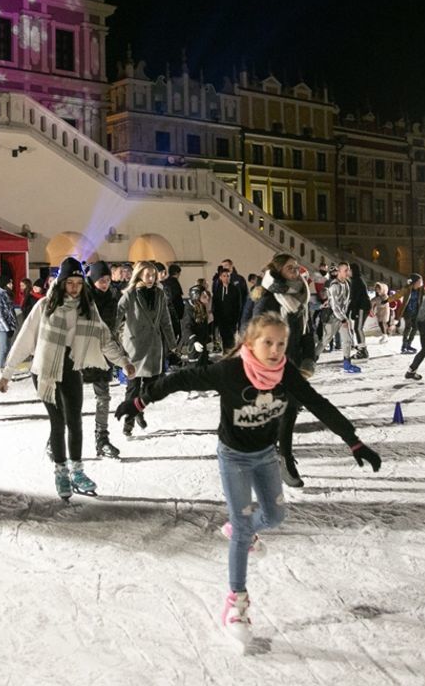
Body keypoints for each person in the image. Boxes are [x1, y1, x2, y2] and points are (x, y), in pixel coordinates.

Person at [115, 313, 381, 646]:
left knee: (274, 516)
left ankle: (241, 529)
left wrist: (353, 440)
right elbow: (180, 379)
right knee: (242, 528)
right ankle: (236, 603)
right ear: (250, 343)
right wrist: (140, 399)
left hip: (265, 456)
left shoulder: (286, 375)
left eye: (280, 343)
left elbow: (318, 403)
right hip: (234, 457)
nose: (274, 349)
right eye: (267, 342)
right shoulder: (230, 372)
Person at [0, 257, 135, 499]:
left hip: (71, 368)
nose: (74, 288)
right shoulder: (44, 307)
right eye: (69, 283)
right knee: (58, 421)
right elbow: (24, 340)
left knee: (74, 421)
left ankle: (77, 471)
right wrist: (7, 373)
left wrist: (123, 361)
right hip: (44, 371)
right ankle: (61, 471)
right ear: (61, 283)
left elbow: (104, 338)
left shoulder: (87, 309)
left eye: (78, 283)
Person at [254, 255, 317, 488]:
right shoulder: (268, 298)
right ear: (279, 270)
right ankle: (279, 458)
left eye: (296, 267)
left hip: (295, 363)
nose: (295, 270)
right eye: (290, 267)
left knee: (289, 411)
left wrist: (309, 358)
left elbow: (307, 330)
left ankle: (280, 457)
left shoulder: (301, 295)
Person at [116, 260, 175, 439]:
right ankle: (128, 423)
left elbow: (165, 319)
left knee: (149, 389)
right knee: (133, 387)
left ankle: (139, 409)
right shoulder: (130, 294)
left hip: (153, 346)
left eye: (153, 275)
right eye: (147, 274)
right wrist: (115, 336)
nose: (151, 278)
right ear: (139, 274)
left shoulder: (159, 294)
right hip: (134, 347)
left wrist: (172, 343)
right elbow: (117, 314)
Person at [84, 261, 123, 458]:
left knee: (103, 397)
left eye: (107, 279)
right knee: (70, 400)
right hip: (80, 355)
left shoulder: (113, 298)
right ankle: (56, 438)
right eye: (101, 280)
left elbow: (112, 329)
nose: (105, 283)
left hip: (102, 355)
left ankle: (102, 438)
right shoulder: (82, 297)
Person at [320, 262, 360, 373]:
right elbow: (334, 305)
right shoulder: (334, 285)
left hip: (342, 316)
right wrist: (342, 319)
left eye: (348, 270)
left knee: (347, 339)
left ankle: (347, 364)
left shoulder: (346, 283)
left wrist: (345, 316)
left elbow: (346, 302)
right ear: (339, 271)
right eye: (345, 270)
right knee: (325, 340)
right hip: (334, 317)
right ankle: (311, 361)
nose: (348, 272)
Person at [0, 274, 20, 372]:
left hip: (8, 326)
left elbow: (10, 311)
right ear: (4, 284)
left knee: (8, 348)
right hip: (1, 326)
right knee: (3, 348)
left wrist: (12, 325)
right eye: (10, 283)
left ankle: (6, 369)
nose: (12, 285)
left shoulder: (6, 294)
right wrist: (7, 328)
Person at [212, 267, 245, 353]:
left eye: (228, 276)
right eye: (224, 276)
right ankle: (225, 352)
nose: (226, 278)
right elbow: (216, 304)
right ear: (220, 277)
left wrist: (237, 318)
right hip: (221, 318)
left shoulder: (234, 289)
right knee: (223, 336)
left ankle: (231, 353)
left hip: (232, 318)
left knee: (231, 337)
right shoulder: (218, 289)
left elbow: (238, 304)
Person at [347, 263, 371, 359]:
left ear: (353, 271)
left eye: (349, 270)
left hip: (362, 307)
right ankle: (362, 349)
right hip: (360, 307)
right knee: (358, 328)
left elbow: (356, 298)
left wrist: (353, 311)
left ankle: (363, 351)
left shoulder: (357, 281)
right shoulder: (354, 280)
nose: (347, 272)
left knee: (358, 328)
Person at [399, 274, 423, 354]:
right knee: (408, 328)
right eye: (419, 281)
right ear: (414, 282)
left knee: (415, 327)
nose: (420, 283)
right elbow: (399, 296)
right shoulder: (407, 289)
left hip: (416, 311)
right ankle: (404, 346)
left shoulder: (421, 290)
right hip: (408, 311)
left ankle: (409, 344)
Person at [164, 263, 186, 344]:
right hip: (175, 312)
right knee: (177, 333)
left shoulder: (165, 282)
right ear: (177, 273)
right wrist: (181, 312)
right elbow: (177, 298)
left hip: (168, 312)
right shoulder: (174, 282)